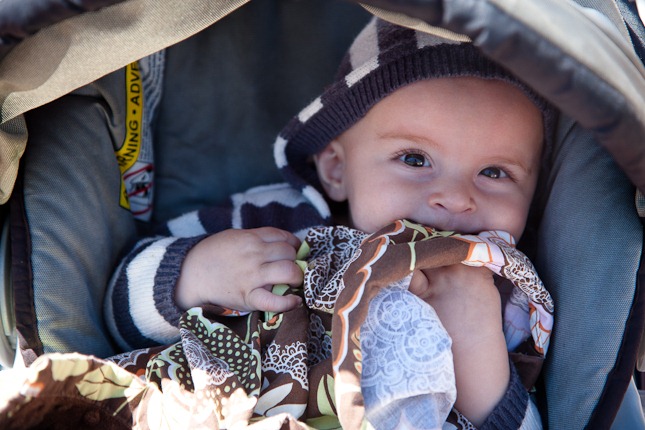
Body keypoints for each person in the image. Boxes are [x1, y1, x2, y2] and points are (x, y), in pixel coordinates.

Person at [105, 16, 555, 428]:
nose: (455, 198)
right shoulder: (273, 221)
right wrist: (198, 274)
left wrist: (476, 342)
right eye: (415, 159)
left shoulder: (505, 291)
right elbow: (117, 312)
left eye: (494, 172)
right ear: (337, 169)